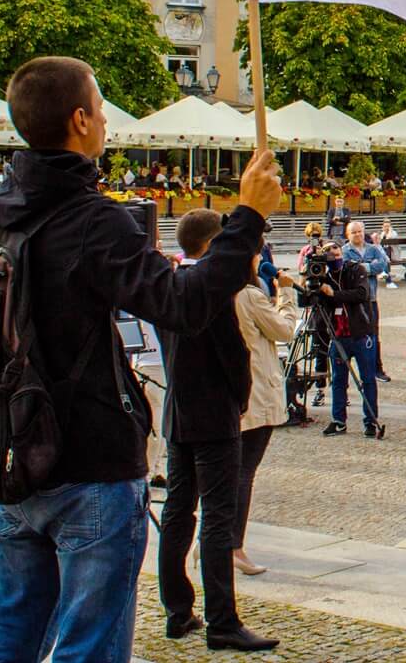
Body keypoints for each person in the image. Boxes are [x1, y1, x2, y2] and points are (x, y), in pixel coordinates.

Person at [0, 57, 281, 662]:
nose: (106, 119)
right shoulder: (91, 218)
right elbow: (183, 303)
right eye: (99, 106)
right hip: (89, 459)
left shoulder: (2, 209)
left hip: (20, 447)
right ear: (79, 119)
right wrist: (247, 218)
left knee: (17, 622)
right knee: (90, 639)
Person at [157, 210, 277, 652]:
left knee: (178, 511)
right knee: (217, 518)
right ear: (212, 244)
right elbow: (234, 355)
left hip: (179, 411)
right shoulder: (211, 288)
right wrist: (240, 399)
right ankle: (222, 620)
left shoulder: (170, 283)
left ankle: (177, 610)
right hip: (214, 413)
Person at [230, 236, 298, 578]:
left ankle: (217, 539)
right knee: (243, 472)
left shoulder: (216, 289)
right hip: (256, 387)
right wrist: (285, 295)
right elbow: (284, 330)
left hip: (229, 388)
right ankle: (233, 545)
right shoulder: (248, 294)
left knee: (227, 471)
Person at [319, 253, 380, 438]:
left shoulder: (356, 269)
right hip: (338, 336)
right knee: (338, 380)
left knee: (367, 379)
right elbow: (310, 302)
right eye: (329, 252)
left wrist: (334, 294)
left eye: (336, 251)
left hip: (361, 334)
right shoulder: (324, 276)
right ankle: (338, 420)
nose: (334, 255)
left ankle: (371, 421)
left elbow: (362, 293)